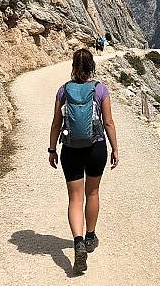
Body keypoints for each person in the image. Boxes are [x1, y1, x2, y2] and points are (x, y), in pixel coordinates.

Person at [48, 48, 119, 274]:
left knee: (75, 198)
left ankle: (77, 241)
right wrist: (115, 149)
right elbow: (108, 122)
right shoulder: (100, 89)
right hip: (96, 147)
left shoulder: (64, 90)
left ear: (73, 66)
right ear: (92, 66)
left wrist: (52, 149)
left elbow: (56, 123)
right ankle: (90, 236)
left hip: (70, 149)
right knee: (93, 193)